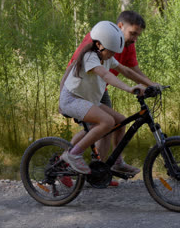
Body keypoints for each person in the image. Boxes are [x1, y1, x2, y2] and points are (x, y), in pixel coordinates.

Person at [59, 21, 157, 175]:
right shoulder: (90, 57)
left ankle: (116, 162)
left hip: (88, 100)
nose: (112, 55)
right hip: (72, 99)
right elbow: (106, 75)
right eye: (110, 51)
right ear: (99, 44)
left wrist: (150, 84)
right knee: (107, 122)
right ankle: (73, 154)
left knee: (120, 121)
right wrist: (129, 88)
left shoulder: (106, 56)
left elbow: (126, 71)